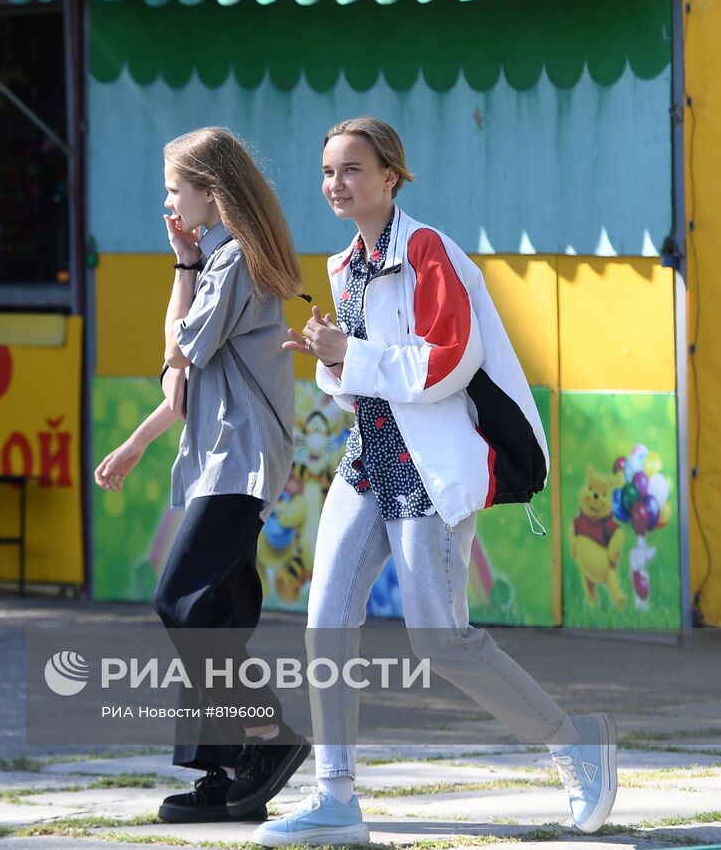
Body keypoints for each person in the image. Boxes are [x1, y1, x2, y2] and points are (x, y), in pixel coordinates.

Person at [253, 116, 617, 846]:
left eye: (352, 169)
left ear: (391, 176)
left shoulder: (425, 249)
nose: (336, 183)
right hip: (367, 461)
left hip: (426, 470)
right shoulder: (341, 264)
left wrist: (347, 353)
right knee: (325, 620)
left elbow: (447, 360)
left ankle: (575, 737)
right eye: (328, 171)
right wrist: (329, 359)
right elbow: (363, 390)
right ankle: (336, 797)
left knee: (439, 639)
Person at [94, 127, 310, 825]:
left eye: (173, 188)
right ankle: (229, 771)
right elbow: (180, 392)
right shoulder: (226, 262)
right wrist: (132, 445)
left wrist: (182, 268)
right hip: (229, 457)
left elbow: (174, 357)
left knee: (182, 600)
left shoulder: (233, 267)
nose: (168, 202)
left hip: (240, 460)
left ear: (210, 193)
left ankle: (270, 740)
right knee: (214, 613)